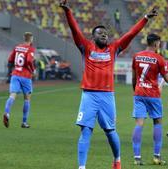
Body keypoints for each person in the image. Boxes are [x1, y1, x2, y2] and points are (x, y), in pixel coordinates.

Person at [59, 1, 157, 169]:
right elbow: (75, 30)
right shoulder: (86, 47)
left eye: (106, 33)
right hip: (89, 95)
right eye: (100, 33)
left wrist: (145, 18)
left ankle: (117, 160)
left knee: (110, 131)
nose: (104, 35)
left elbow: (130, 34)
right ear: (93, 37)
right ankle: (82, 167)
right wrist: (68, 11)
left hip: (107, 96)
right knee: (85, 130)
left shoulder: (114, 48)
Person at [131, 34, 168, 165]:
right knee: (157, 122)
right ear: (156, 43)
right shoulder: (159, 58)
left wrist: (135, 90)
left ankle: (137, 158)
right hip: (153, 94)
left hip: (139, 93)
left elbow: (134, 77)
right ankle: (156, 157)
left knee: (139, 123)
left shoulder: (137, 56)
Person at [3, 32, 35, 128]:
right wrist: (33, 70)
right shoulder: (30, 49)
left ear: (24, 38)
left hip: (15, 74)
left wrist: (10, 73)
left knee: (12, 95)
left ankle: (7, 113)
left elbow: (10, 60)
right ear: (31, 39)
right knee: (27, 99)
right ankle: (24, 122)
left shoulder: (17, 47)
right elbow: (29, 60)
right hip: (26, 76)